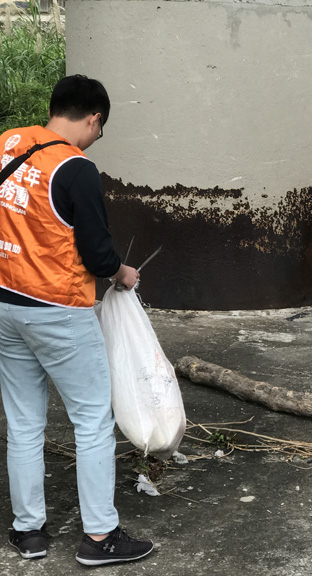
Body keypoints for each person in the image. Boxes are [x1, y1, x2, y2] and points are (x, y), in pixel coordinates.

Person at [0, 75, 155, 563]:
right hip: (58, 310)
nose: (95, 139)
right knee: (90, 419)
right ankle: (99, 537)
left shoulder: (7, 143)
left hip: (5, 304)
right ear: (94, 118)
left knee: (23, 421)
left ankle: (29, 532)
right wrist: (122, 273)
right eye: (99, 130)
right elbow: (97, 253)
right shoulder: (76, 167)